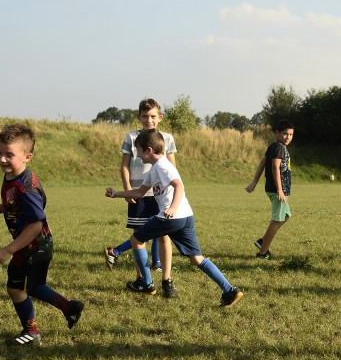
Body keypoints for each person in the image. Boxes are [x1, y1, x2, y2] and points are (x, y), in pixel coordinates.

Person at [105, 129, 242, 307]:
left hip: (171, 217)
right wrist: (116, 194)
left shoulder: (163, 166)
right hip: (186, 217)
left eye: (139, 150)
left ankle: (146, 284)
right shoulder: (155, 169)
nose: (137, 155)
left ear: (149, 150)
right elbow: (139, 192)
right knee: (196, 259)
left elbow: (179, 186)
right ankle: (230, 290)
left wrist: (172, 207)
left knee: (136, 240)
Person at [0, 124, 84, 346]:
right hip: (41, 244)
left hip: (31, 247)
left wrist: (9, 250)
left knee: (15, 288)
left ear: (27, 157)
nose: (2, 159)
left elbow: (35, 224)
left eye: (9, 155)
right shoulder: (13, 177)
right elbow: (11, 202)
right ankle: (70, 308)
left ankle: (31, 332)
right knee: (34, 286)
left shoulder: (26, 187)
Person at [104, 98, 177, 283]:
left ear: (160, 117)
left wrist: (171, 194)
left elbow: (172, 168)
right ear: (139, 117)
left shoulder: (167, 138)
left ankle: (167, 279)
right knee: (139, 238)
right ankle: (141, 279)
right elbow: (124, 166)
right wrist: (127, 188)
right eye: (145, 116)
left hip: (160, 196)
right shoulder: (131, 137)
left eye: (152, 116)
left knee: (163, 236)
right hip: (138, 195)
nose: (149, 120)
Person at [245, 120, 294, 259]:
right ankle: (262, 253)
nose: (288, 137)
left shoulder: (273, 146)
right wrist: (280, 189)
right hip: (277, 189)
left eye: (291, 134)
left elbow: (262, 163)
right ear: (277, 133)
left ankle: (263, 241)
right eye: (285, 133)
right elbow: (274, 167)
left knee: (285, 216)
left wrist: (254, 182)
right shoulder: (279, 148)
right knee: (277, 220)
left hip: (274, 189)